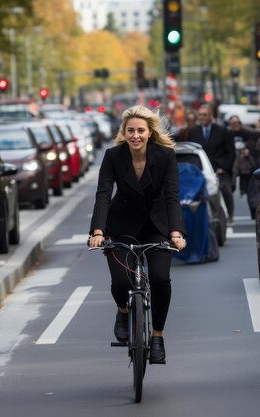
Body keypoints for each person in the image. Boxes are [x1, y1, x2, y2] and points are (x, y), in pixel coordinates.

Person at [87, 105, 187, 365]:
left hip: (157, 226)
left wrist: (176, 231)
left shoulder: (165, 156)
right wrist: (98, 230)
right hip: (121, 225)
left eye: (140, 130)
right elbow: (103, 194)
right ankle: (122, 310)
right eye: (130, 130)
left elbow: (172, 196)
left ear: (149, 132)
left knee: (160, 277)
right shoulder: (112, 156)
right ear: (124, 131)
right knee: (121, 283)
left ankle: (157, 337)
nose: (135, 135)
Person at [187, 104, 236, 224]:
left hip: (219, 169)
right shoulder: (193, 131)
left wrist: (223, 168)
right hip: (199, 170)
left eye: (205, 115)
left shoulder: (222, 131)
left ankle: (229, 216)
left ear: (211, 116)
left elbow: (230, 152)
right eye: (200, 115)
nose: (202, 117)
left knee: (225, 189)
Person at [229, 115, 260, 219]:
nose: (234, 126)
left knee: (254, 193)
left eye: (236, 123)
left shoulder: (251, 133)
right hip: (240, 169)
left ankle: (257, 215)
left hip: (252, 166)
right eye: (232, 124)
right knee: (247, 192)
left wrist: (249, 151)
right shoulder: (228, 134)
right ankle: (254, 214)